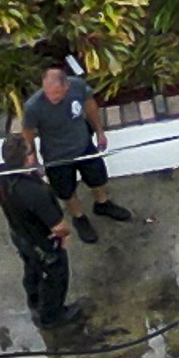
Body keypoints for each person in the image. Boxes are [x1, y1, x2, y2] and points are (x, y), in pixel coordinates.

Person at [25, 49, 124, 238]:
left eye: (55, 94)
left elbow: (90, 104)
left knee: (98, 178)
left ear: (66, 86)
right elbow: (28, 133)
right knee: (66, 191)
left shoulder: (78, 86)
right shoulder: (33, 106)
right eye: (47, 92)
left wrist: (99, 132)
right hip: (57, 156)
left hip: (83, 145)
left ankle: (102, 204)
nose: (50, 97)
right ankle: (79, 217)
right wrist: (34, 160)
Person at [0, 123, 71, 320]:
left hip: (19, 234)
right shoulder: (36, 193)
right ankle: (51, 316)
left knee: (31, 269)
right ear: (28, 159)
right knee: (56, 277)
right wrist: (65, 234)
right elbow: (59, 227)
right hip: (41, 243)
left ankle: (33, 299)